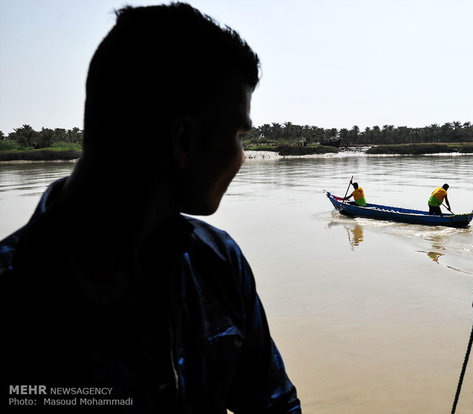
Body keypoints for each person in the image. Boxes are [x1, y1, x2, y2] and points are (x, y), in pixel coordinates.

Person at [0, 4, 301, 413]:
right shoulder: (11, 297)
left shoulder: (218, 263)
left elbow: (274, 404)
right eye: (238, 135)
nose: (242, 157)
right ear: (183, 139)